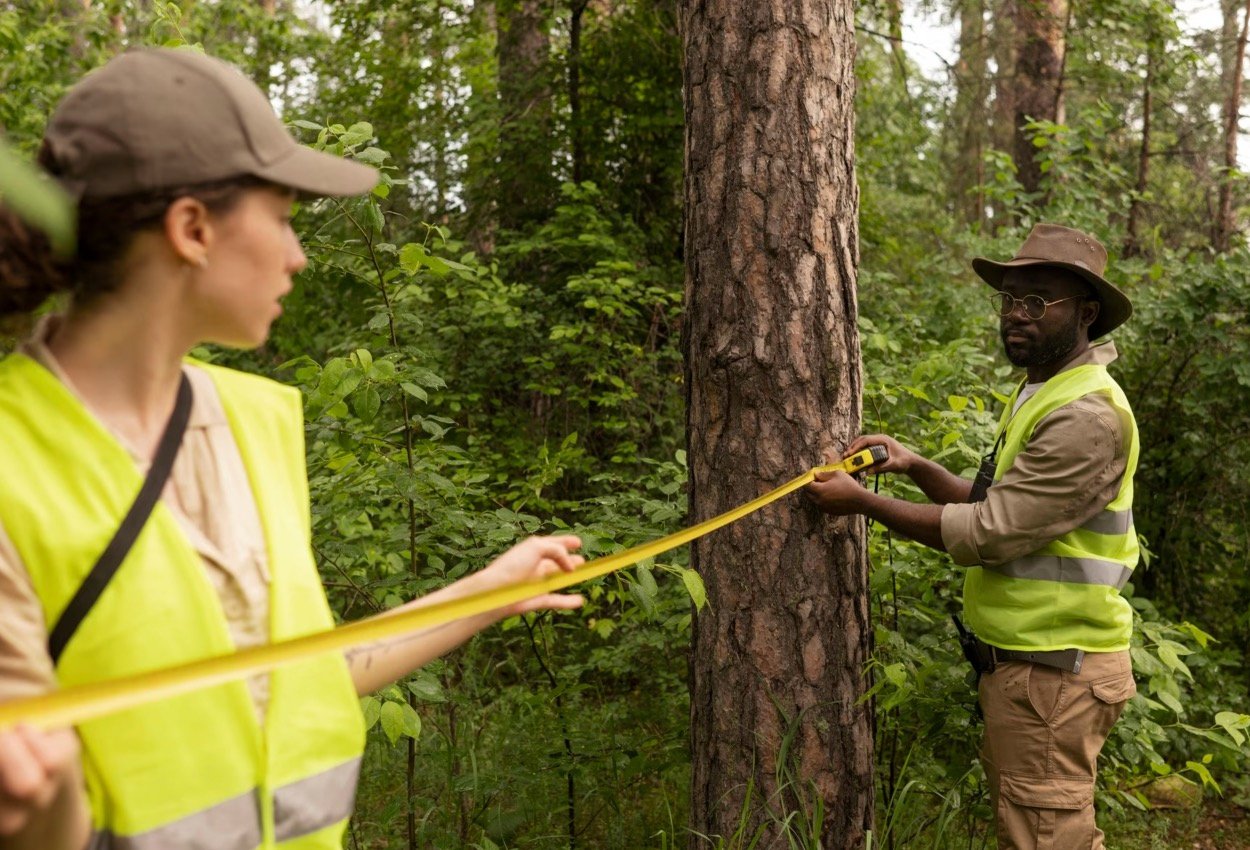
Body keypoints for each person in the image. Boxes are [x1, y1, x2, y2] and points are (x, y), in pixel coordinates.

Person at [0, 48, 584, 850]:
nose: (297, 255)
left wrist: (486, 590)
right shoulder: (11, 467)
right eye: (283, 218)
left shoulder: (258, 420)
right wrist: (44, 790)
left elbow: (296, 681)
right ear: (193, 229)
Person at [807, 224, 1139, 850]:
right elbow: (1000, 505)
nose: (1016, 315)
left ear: (1087, 313)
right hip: (1035, 674)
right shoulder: (1046, 391)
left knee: (1047, 839)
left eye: (1037, 302)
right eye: (1011, 299)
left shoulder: (1085, 416)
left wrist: (862, 504)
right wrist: (915, 466)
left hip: (1056, 676)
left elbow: (989, 532)